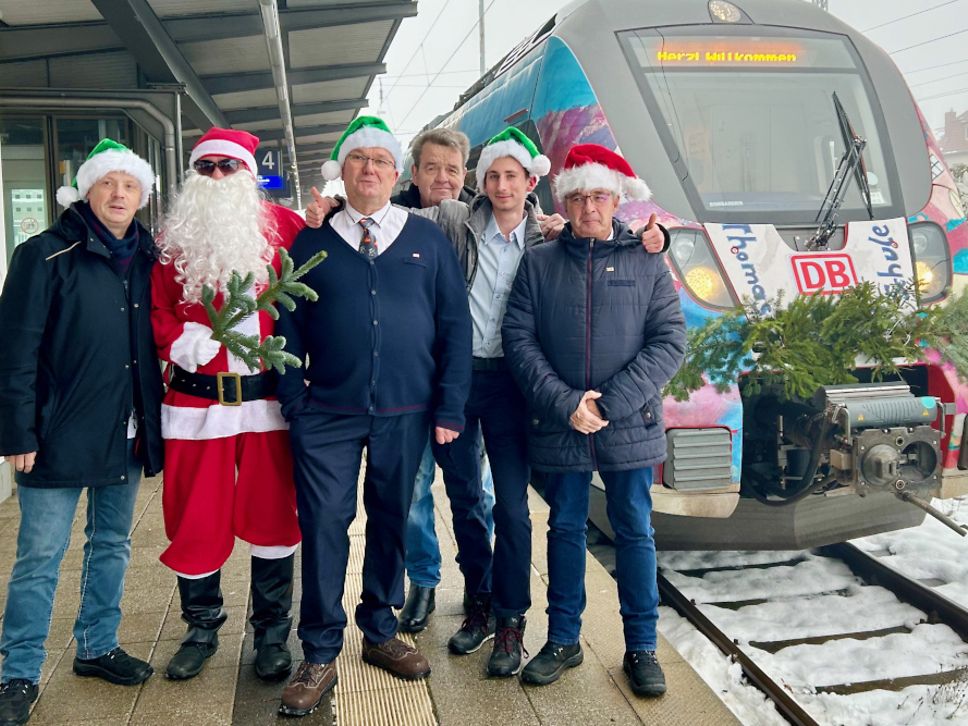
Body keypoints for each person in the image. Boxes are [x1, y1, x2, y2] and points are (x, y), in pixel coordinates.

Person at [275, 116, 472, 717]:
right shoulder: (311, 241)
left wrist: (449, 404)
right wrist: (295, 404)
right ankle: (319, 648)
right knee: (326, 525)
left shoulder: (426, 239)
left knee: (391, 516)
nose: (369, 169)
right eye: (358, 159)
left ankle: (380, 629)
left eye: (380, 160)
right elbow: (284, 324)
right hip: (326, 414)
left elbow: (454, 326)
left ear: (396, 174)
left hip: (407, 413)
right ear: (342, 170)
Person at [502, 143, 686, 697]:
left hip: (627, 421)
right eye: (578, 197)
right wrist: (565, 403)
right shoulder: (539, 263)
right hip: (562, 422)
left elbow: (670, 341)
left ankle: (643, 647)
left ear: (616, 200)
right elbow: (519, 338)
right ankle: (563, 639)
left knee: (634, 529)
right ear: (567, 201)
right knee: (563, 528)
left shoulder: (646, 260)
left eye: (599, 196)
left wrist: (608, 405)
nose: (589, 207)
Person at [0, 139, 164, 725]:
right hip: (54, 432)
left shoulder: (150, 257)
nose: (119, 194)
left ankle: (97, 645)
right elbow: (15, 351)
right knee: (40, 556)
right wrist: (17, 431)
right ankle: (17, 671)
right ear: (87, 190)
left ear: (142, 195)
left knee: (112, 544)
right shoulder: (44, 255)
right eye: (108, 183)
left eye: (129, 184)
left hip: (125, 429)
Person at [151, 128, 305, 683]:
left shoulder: (286, 229)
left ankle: (270, 634)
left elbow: (316, 294)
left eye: (228, 167)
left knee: (274, 515)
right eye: (207, 167)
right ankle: (201, 628)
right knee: (195, 517)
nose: (217, 176)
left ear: (248, 173)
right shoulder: (173, 240)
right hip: (196, 405)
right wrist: (188, 343)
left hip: (268, 405)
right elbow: (155, 311)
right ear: (194, 175)